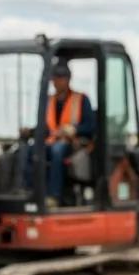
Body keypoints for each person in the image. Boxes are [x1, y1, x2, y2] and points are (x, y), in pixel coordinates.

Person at [44, 59, 95, 206]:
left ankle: (54, 197)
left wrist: (75, 129)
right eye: (54, 78)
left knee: (58, 151)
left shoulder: (81, 99)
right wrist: (31, 131)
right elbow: (46, 127)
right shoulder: (49, 101)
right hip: (52, 142)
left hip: (75, 145)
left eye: (60, 78)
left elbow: (90, 125)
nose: (56, 82)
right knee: (28, 150)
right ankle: (28, 190)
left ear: (67, 79)